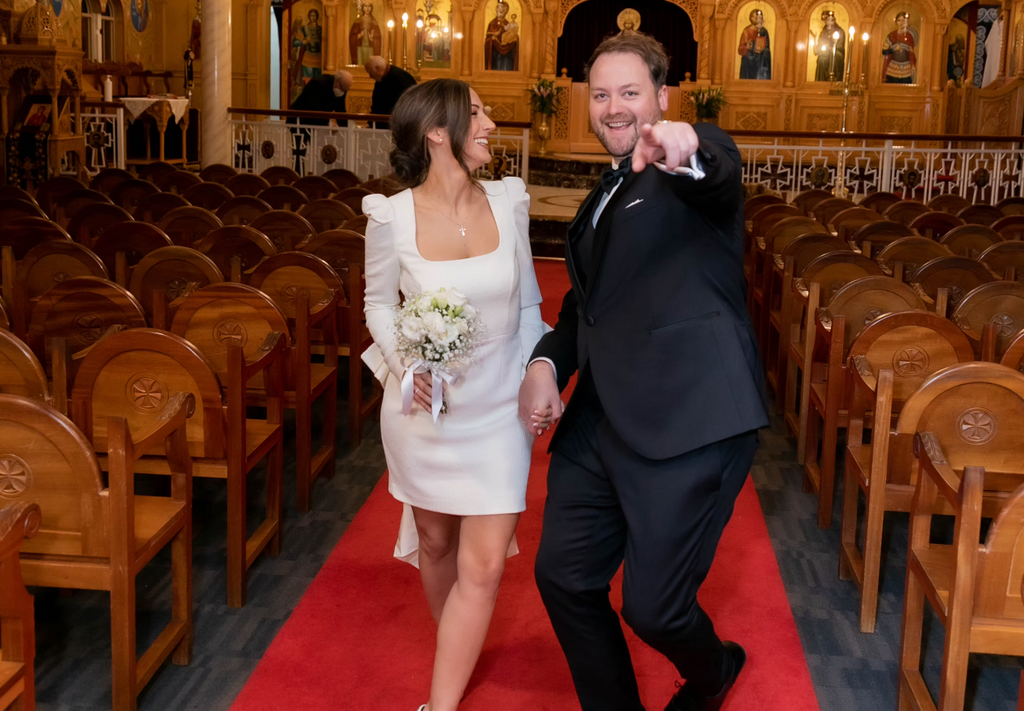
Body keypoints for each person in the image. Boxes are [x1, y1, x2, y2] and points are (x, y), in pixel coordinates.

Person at [518, 31, 768, 711]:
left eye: (630, 92)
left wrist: (686, 150)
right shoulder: (602, 192)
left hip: (687, 418)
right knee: (564, 577)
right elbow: (586, 310)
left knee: (655, 608)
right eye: (601, 94)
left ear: (662, 96)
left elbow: (714, 168)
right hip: (599, 421)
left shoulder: (689, 162)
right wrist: (545, 364)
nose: (614, 107)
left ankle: (714, 670)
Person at [361, 78, 548, 711]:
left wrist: (536, 372)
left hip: (499, 411)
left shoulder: (510, 201)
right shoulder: (390, 217)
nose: (490, 124)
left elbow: (529, 304)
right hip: (426, 414)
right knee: (436, 543)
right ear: (437, 132)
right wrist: (405, 363)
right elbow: (378, 304)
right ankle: (456, 650)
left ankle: (438, 706)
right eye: (476, 113)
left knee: (486, 566)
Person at [365, 55, 417, 129]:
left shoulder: (401, 78)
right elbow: (377, 105)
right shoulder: (380, 79)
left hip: (398, 125)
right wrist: (370, 123)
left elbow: (410, 104)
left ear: (377, 68)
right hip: (382, 125)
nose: (370, 76)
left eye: (370, 73)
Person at [882, 11, 918, 84]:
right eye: (899, 20)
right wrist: (894, 49)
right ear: (896, 22)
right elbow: (884, 52)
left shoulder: (909, 36)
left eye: (903, 20)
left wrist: (913, 65)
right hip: (893, 68)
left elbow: (911, 53)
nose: (901, 23)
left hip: (906, 69)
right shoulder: (891, 36)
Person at [484, 0, 519, 71]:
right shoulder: (492, 23)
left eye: (502, 8)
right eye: (498, 8)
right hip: (495, 53)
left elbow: (511, 33)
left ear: (506, 11)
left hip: (507, 55)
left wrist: (514, 39)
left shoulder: (508, 23)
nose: (500, 10)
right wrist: (493, 38)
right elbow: (488, 37)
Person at [738, 8, 771, 80]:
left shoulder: (763, 31)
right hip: (748, 59)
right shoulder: (746, 31)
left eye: (758, 17)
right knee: (746, 57)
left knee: (762, 58)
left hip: (759, 59)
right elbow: (740, 49)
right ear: (750, 18)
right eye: (754, 16)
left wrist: (762, 49)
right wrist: (747, 47)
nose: (756, 19)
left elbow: (767, 48)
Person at [349, 0, 383, 66]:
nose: (367, 8)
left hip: (370, 48)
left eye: (369, 6)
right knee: (360, 65)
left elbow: (378, 38)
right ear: (362, 8)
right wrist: (359, 35)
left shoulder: (374, 22)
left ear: (371, 8)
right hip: (360, 48)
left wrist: (372, 38)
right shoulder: (358, 21)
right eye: (365, 6)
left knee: (370, 65)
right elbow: (352, 36)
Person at [813, 10, 844, 81]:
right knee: (821, 60)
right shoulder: (823, 32)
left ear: (834, 21)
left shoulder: (840, 32)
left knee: (832, 57)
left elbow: (840, 48)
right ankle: (820, 82)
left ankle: (832, 79)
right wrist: (815, 40)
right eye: (827, 20)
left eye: (831, 20)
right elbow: (817, 50)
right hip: (825, 55)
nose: (829, 22)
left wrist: (830, 48)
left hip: (836, 56)